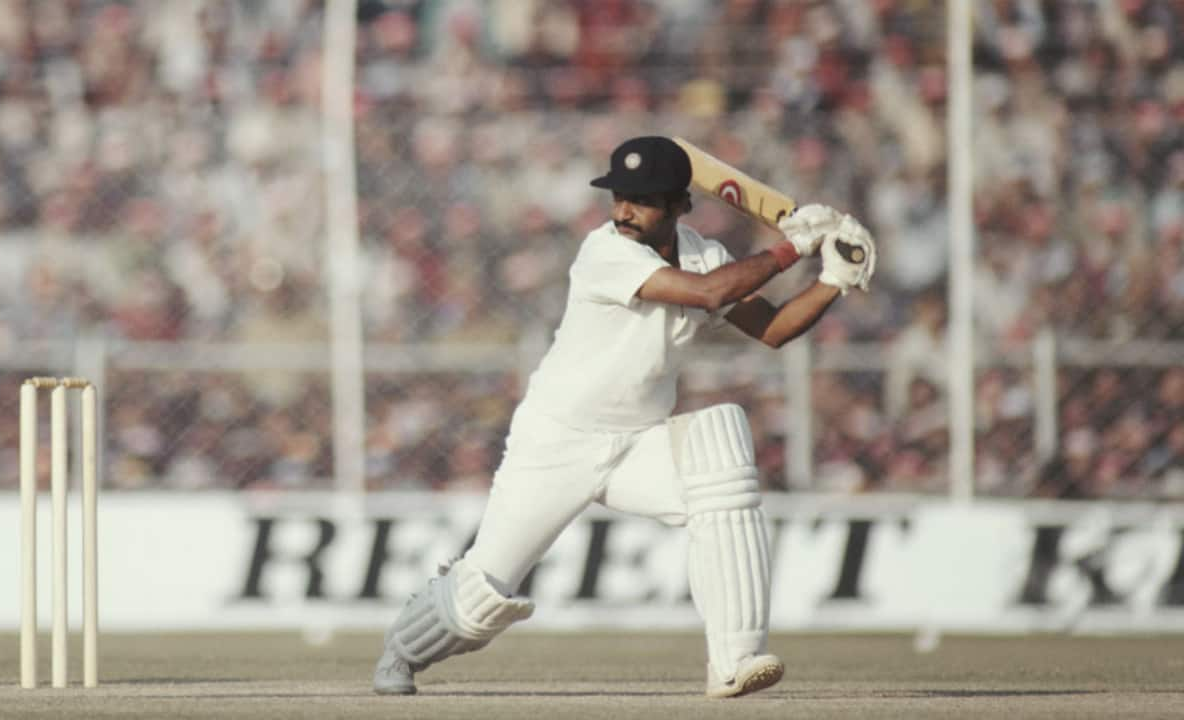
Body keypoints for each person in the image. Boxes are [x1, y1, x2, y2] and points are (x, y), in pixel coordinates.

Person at [372, 136, 876, 698]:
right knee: (477, 600)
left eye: (642, 200)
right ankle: (400, 651)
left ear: (680, 205)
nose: (625, 211)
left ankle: (733, 660)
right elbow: (708, 295)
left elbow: (775, 330)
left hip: (637, 444)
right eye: (619, 198)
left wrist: (834, 278)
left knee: (720, 451)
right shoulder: (603, 252)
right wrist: (792, 247)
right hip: (557, 444)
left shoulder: (704, 253)